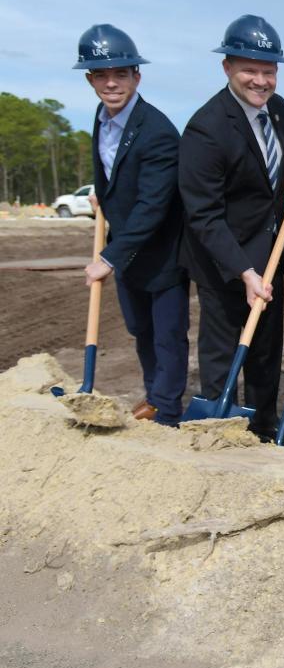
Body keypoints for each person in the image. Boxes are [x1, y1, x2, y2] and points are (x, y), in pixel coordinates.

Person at [179, 15, 284, 443]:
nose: (260, 80)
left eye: (268, 71)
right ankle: (220, 429)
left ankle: (262, 427)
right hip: (223, 258)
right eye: (249, 70)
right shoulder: (206, 129)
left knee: (266, 350)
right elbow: (203, 216)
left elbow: (273, 155)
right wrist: (244, 272)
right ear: (227, 68)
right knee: (221, 350)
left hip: (268, 252)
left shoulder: (278, 109)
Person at [73, 24, 188, 426]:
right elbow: (110, 170)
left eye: (120, 73)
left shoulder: (157, 132)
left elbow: (153, 205)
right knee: (141, 329)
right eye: (101, 75)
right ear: (90, 80)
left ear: (136, 76)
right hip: (128, 248)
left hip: (162, 252)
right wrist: (103, 194)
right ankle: (155, 394)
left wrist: (109, 257)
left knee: (167, 335)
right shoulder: (101, 118)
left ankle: (168, 411)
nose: (111, 83)